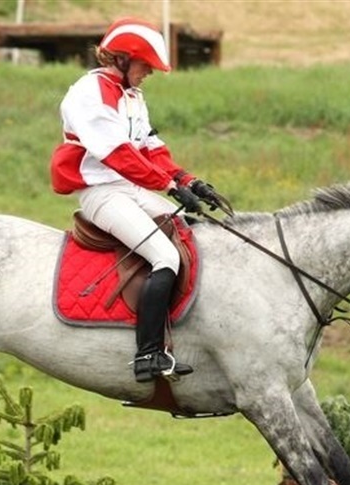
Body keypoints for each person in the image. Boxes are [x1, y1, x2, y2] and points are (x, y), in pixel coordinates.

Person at [50, 18, 230, 383]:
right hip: (101, 192)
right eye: (145, 65)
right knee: (164, 256)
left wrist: (189, 180)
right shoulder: (91, 92)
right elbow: (118, 155)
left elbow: (151, 149)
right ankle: (148, 355)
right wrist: (168, 186)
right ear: (121, 58)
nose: (149, 72)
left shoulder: (132, 96)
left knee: (191, 231)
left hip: (130, 188)